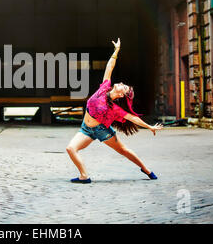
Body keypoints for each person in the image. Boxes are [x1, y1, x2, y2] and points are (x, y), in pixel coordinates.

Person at [66, 38, 163, 183]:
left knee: (123, 150)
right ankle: (84, 176)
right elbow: (109, 67)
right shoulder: (105, 87)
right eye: (123, 84)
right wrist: (116, 51)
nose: (122, 84)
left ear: (121, 95)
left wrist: (149, 127)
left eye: (124, 87)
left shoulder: (115, 109)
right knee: (70, 149)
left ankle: (146, 169)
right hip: (85, 129)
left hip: (102, 130)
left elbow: (133, 118)